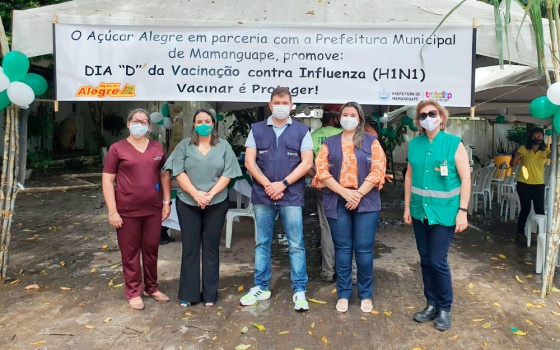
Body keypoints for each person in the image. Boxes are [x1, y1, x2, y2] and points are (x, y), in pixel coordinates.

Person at [240, 87, 313, 311]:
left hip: (290, 195)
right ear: (270, 105)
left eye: (285, 102)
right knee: (262, 242)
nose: (281, 106)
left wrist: (283, 184)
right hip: (263, 195)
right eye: (276, 102)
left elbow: (307, 163)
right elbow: (250, 162)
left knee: (296, 244)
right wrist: (267, 184)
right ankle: (261, 286)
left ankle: (299, 290)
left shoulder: (302, 131)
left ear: (292, 106)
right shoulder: (257, 130)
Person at [163, 108, 241, 307]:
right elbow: (178, 172)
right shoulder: (184, 146)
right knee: (190, 248)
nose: (204, 125)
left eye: (207, 121)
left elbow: (229, 173)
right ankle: (188, 295)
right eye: (199, 121)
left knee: (211, 247)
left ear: (214, 124)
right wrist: (196, 194)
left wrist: (211, 194)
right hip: (188, 203)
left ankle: (210, 294)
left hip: (216, 202)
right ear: (194, 125)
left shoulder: (224, 147)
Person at [403, 100, 471, 331]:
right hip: (420, 211)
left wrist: (462, 211)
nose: (427, 118)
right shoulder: (415, 144)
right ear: (418, 121)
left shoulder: (454, 144)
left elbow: (466, 179)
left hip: (445, 213)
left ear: (441, 117)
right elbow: (410, 177)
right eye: (422, 116)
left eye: (432, 114)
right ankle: (431, 304)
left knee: (437, 260)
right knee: (425, 260)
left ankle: (444, 307)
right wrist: (406, 207)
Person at [313, 101, 386, 313]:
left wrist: (358, 194)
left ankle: (366, 294)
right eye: (345, 114)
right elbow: (322, 172)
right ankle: (343, 293)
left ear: (360, 119)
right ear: (339, 117)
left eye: (353, 114)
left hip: (367, 201)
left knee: (364, 250)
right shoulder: (329, 143)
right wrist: (346, 193)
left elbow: (378, 170)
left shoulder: (372, 142)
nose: (348, 118)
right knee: (342, 249)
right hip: (337, 199)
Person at [102, 108, 172, 310]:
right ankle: (134, 291)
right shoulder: (117, 149)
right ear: (128, 123)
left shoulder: (157, 147)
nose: (139, 124)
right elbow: (108, 180)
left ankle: (152, 287)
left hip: (153, 209)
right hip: (127, 210)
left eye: (144, 122)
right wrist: (112, 211)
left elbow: (165, 175)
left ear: (149, 126)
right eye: (136, 121)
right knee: (130, 252)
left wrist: (167, 202)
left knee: (151, 250)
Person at [307, 104, 358, 283]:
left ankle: (328, 271)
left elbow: (306, 165)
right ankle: (352, 274)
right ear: (337, 118)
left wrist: (320, 178)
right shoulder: (343, 137)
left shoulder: (313, 136)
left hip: (326, 188)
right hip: (350, 189)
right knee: (352, 228)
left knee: (327, 228)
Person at [510, 127, 550, 244]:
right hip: (524, 184)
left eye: (539, 137)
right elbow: (512, 164)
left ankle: (542, 235)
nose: (536, 139)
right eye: (534, 137)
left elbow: (555, 160)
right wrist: (516, 157)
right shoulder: (523, 149)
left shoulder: (546, 152)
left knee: (540, 210)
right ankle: (520, 233)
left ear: (543, 138)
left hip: (539, 185)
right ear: (530, 138)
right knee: (525, 209)